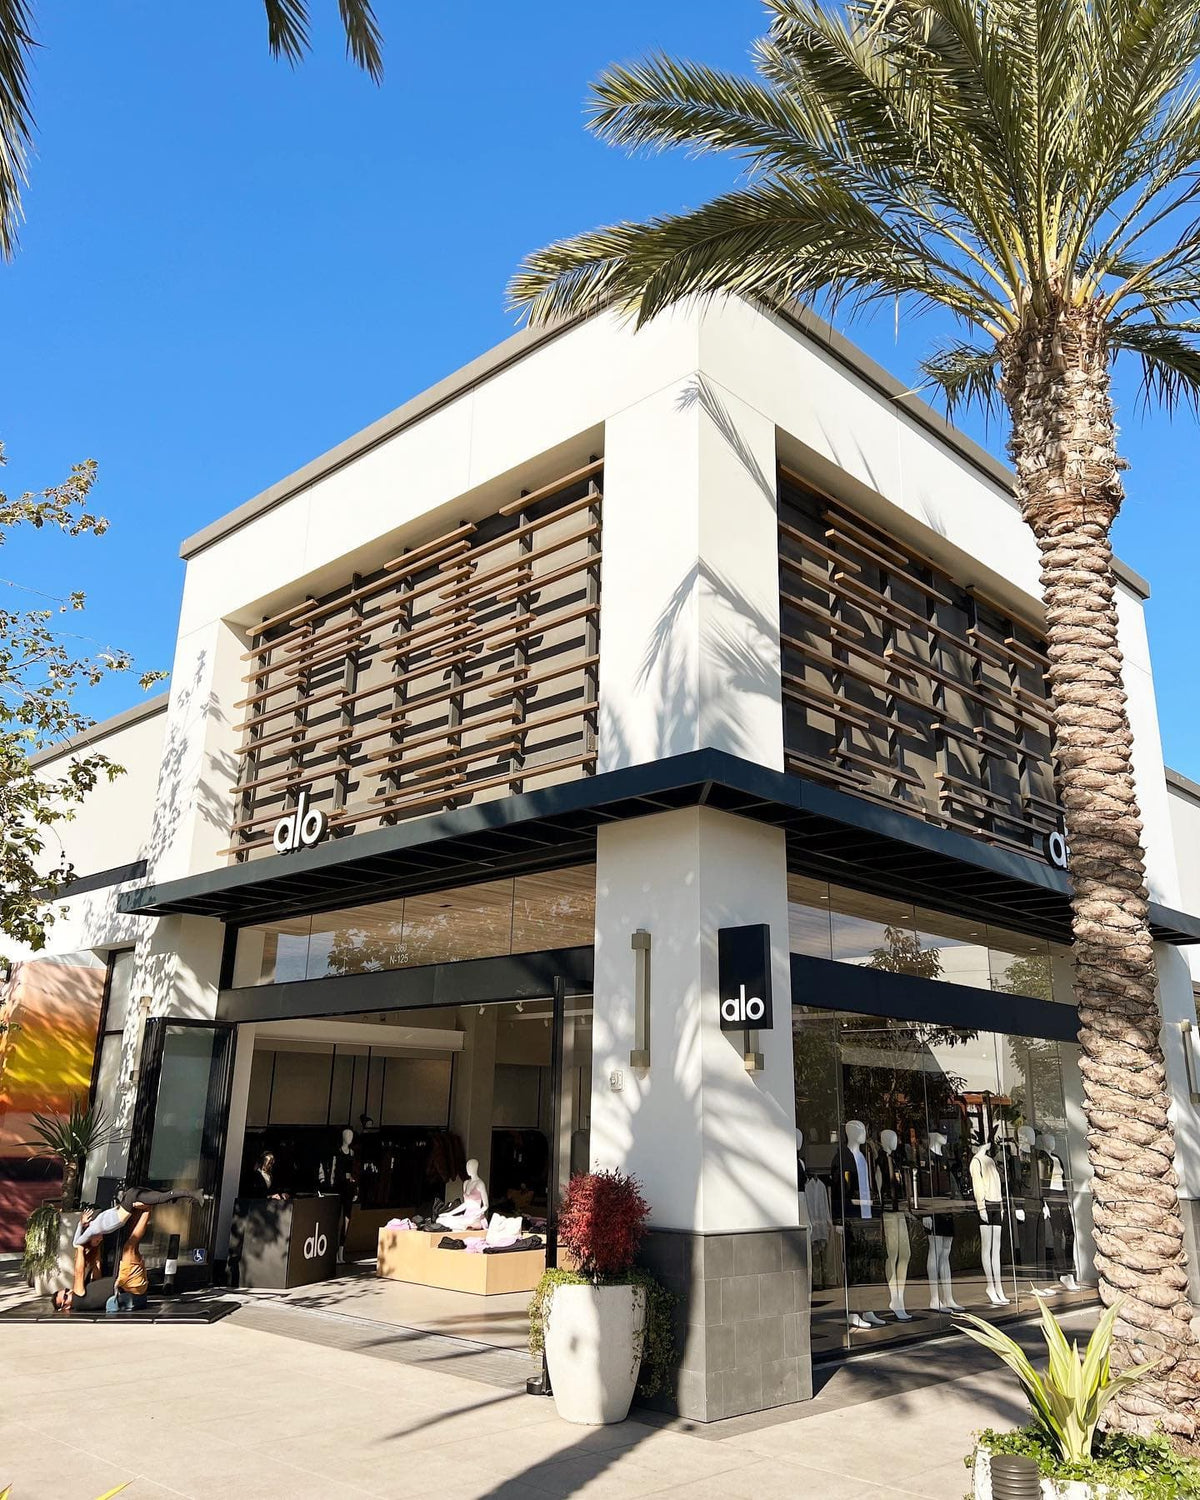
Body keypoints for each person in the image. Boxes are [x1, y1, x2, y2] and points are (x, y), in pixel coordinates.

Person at [52, 1197, 162, 1313]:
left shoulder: (87, 1292)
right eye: (65, 1296)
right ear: (65, 1307)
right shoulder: (78, 1300)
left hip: (131, 1286)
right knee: (129, 1247)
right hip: (129, 1285)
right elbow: (79, 1271)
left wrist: (91, 1235)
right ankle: (147, 1209)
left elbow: (97, 1265)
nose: (69, 1292)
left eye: (66, 1290)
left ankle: (139, 1208)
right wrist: (79, 1245)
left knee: (130, 1240)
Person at [69, 1184, 207, 1249]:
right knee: (162, 1197)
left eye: (96, 1242)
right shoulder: (101, 1224)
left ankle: (195, 1194)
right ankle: (187, 1197)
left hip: (131, 1198)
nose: (99, 1240)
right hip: (131, 1199)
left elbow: (76, 1243)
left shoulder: (93, 1229)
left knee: (162, 1198)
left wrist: (81, 1224)